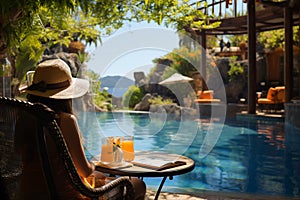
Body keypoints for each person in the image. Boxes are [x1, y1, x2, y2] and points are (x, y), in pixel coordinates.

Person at [16, 59, 146, 200]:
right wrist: (95, 164)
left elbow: (19, 156)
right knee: (137, 184)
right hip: (65, 195)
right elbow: (84, 171)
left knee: (104, 179)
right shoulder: (65, 120)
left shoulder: (22, 118)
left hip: (27, 192)